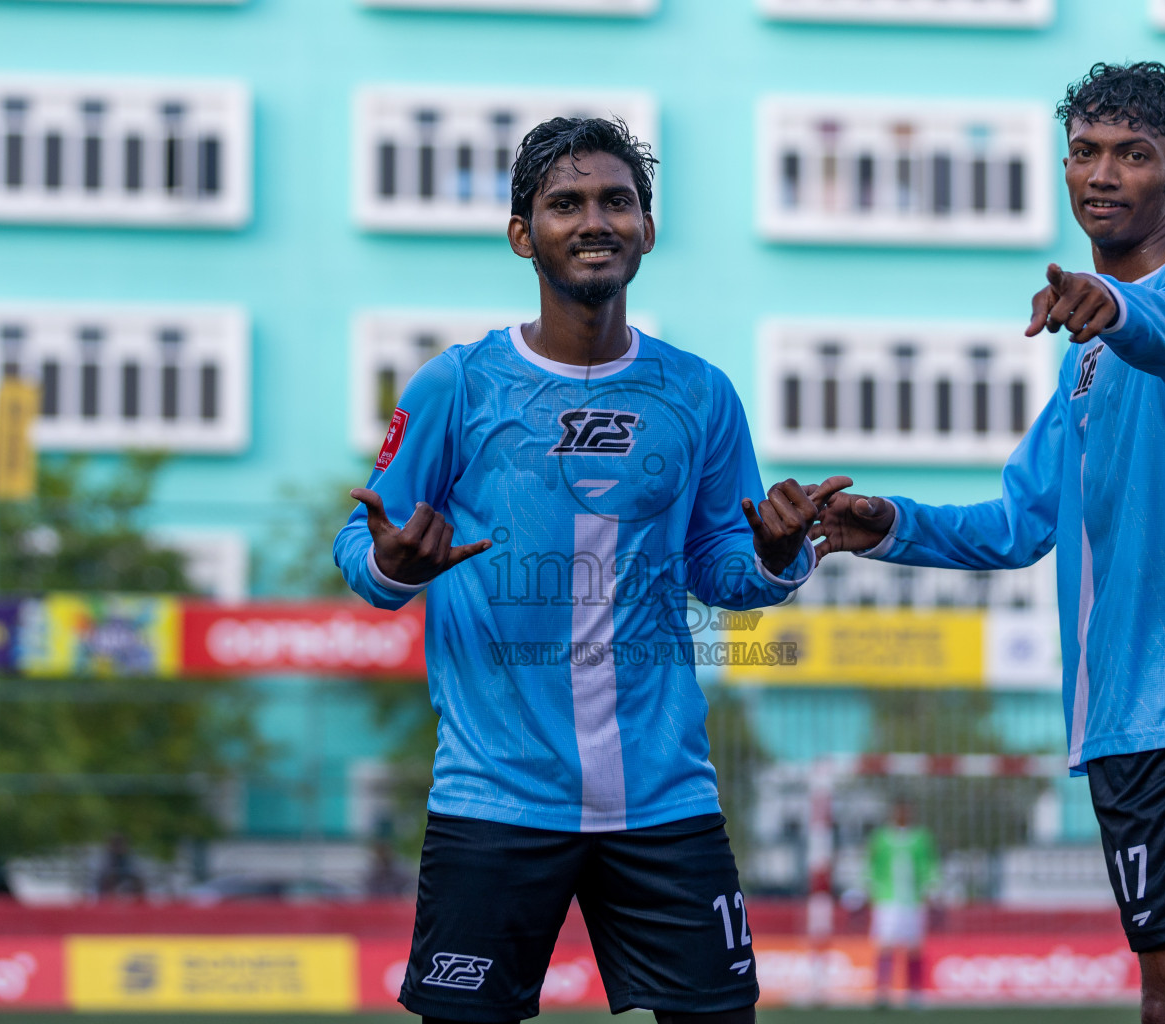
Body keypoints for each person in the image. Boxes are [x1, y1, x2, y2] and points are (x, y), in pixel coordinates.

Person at [335, 116, 847, 1024]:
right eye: (565, 204)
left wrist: (774, 558)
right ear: (522, 235)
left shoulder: (698, 393)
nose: (594, 220)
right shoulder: (458, 386)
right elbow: (362, 548)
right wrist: (392, 563)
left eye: (617, 200)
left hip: (663, 796)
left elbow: (719, 568)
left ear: (647, 228)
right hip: (496, 796)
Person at [812, 62, 1165, 1024]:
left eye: (1133, 155)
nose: (1103, 174)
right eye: (1086, 153)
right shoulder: (1087, 364)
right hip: (1128, 717)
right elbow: (1018, 524)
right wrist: (888, 525)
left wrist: (1118, 308)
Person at [865, 801, 936, 1006]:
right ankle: (882, 992)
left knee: (914, 947)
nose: (903, 814)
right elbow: (871, 865)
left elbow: (930, 864)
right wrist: (869, 889)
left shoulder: (921, 838)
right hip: (887, 899)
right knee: (885, 945)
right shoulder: (881, 838)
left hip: (913, 900)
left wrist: (931, 888)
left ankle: (915, 993)